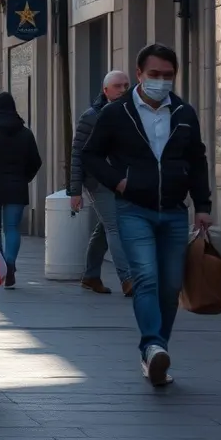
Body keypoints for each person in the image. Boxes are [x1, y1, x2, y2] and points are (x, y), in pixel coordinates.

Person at [82, 44, 211, 387]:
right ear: (139, 74)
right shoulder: (116, 113)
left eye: (168, 76)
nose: (161, 81)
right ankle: (152, 346)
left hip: (172, 211)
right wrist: (118, 182)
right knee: (147, 279)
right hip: (133, 208)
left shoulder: (184, 112)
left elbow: (197, 160)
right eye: (154, 75)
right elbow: (90, 155)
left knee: (170, 286)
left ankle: (157, 355)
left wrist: (203, 206)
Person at [69, 70, 133, 296]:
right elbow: (77, 153)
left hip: (123, 181)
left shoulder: (131, 114)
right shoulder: (92, 116)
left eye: (126, 85)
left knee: (104, 227)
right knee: (115, 226)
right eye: (118, 86)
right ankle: (128, 279)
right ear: (105, 90)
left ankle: (90, 276)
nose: (123, 89)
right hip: (98, 181)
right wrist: (75, 191)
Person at [0, 92, 42, 288]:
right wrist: (23, 178)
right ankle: (11, 262)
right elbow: (36, 161)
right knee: (12, 228)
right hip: (17, 187)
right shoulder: (26, 133)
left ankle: (0, 266)